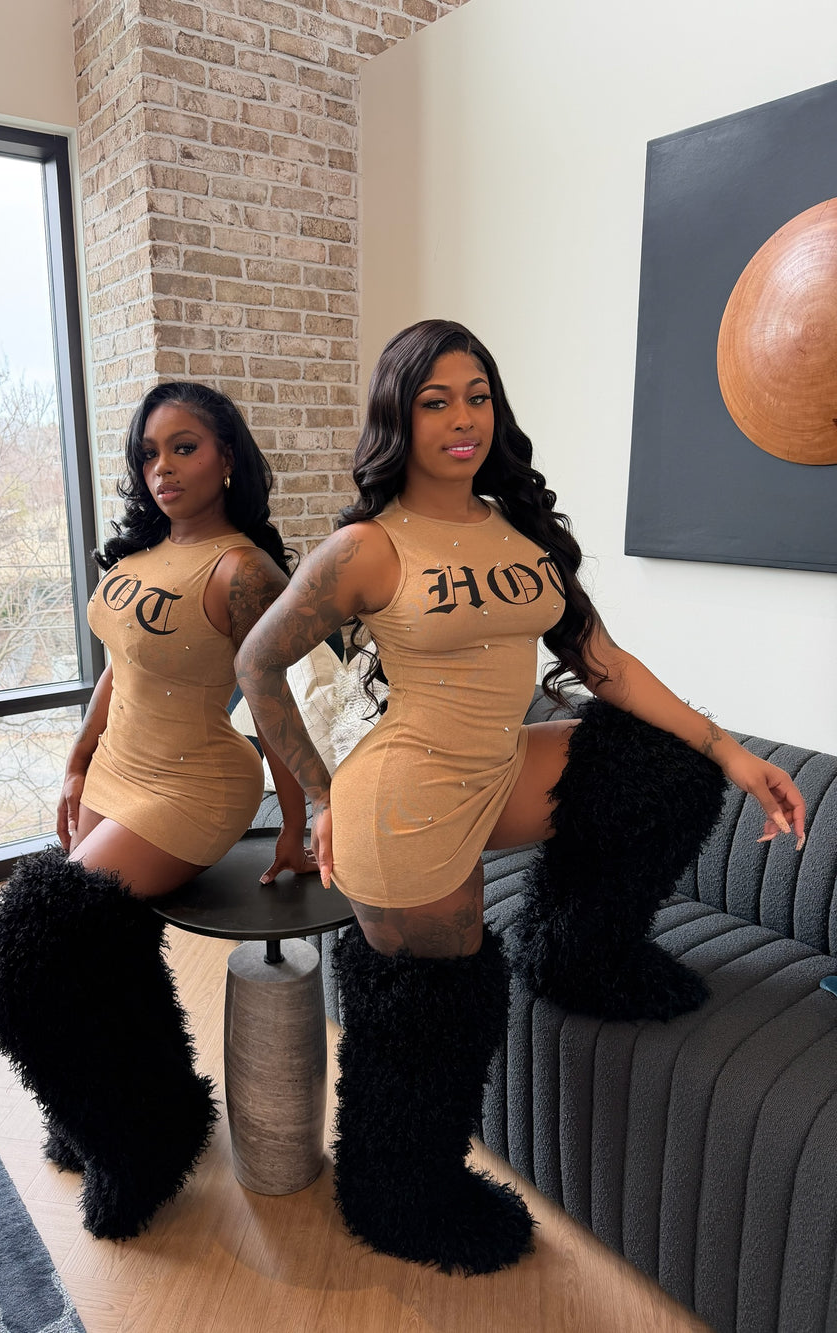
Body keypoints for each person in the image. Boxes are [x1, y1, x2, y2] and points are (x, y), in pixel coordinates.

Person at [234, 319, 806, 1276]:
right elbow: (258, 664)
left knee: (664, 766)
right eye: (435, 402)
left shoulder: (520, 531)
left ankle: (581, 952)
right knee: (439, 1013)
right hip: (405, 800)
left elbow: (603, 661)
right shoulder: (367, 547)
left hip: (498, 772)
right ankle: (398, 1196)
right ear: (400, 418)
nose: (463, 419)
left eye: (477, 397)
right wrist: (325, 798)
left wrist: (729, 749)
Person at [0, 382, 312, 1241]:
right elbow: (119, 669)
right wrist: (77, 760)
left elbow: (275, 703)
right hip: (119, 770)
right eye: (149, 453)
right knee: (111, 953)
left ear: (227, 457)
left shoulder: (242, 571)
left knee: (24, 959)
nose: (163, 468)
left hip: (193, 784)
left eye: (184, 447)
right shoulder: (142, 555)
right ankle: (160, 1103)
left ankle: (136, 1145)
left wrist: (297, 823)